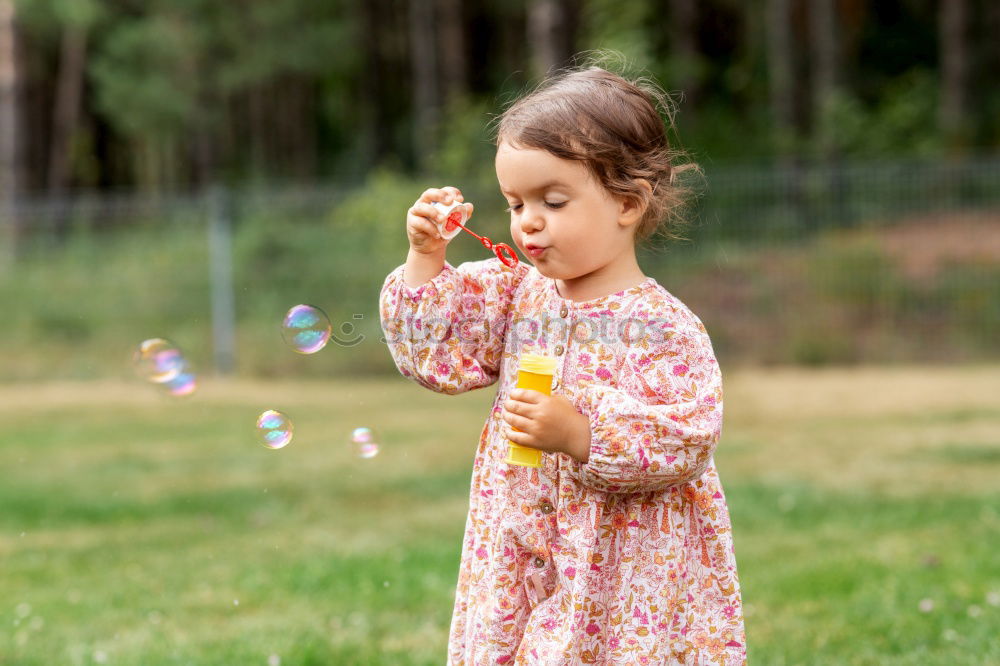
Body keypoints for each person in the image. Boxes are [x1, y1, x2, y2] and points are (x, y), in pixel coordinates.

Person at [379, 63, 745, 665]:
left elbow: (688, 434)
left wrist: (582, 432)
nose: (527, 221)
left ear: (627, 203)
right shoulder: (517, 294)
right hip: (518, 538)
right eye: (515, 203)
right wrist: (426, 257)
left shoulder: (662, 326)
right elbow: (436, 355)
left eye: (552, 200)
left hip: (619, 562)